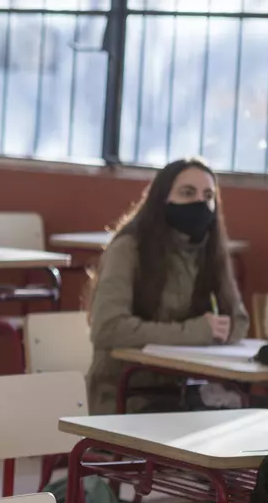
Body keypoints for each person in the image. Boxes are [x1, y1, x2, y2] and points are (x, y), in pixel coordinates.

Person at [87, 158, 249, 415]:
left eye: (208, 196)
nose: (199, 203)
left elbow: (238, 321)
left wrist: (220, 329)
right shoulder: (128, 249)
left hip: (185, 390)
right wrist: (196, 332)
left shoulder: (209, 250)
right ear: (162, 199)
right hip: (126, 394)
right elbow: (108, 328)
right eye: (187, 193)